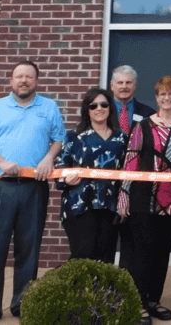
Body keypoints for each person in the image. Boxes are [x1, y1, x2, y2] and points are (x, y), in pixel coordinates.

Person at [0, 60, 65, 325]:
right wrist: (1, 162)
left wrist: (49, 159)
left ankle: (23, 303)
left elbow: (58, 138)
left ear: (37, 80)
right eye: (19, 76)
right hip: (1, 187)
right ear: (11, 81)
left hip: (35, 187)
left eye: (29, 77)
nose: (24, 81)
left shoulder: (49, 107)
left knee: (29, 248)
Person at [117, 75, 171, 322]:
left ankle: (153, 300)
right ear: (157, 97)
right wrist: (124, 196)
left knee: (162, 253)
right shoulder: (143, 127)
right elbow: (131, 161)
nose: (167, 98)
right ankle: (137, 302)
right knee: (141, 252)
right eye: (162, 94)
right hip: (142, 198)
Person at [56, 87, 128, 263]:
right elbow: (59, 166)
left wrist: (125, 200)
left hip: (110, 206)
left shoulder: (122, 138)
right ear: (86, 110)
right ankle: (75, 291)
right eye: (93, 105)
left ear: (110, 107)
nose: (99, 109)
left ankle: (102, 292)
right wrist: (66, 178)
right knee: (82, 256)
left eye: (104, 104)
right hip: (80, 205)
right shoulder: (74, 136)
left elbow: (128, 171)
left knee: (105, 259)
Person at [110, 64, 156, 136]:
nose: (124, 86)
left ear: (135, 86)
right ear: (112, 86)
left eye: (128, 82)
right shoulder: (102, 111)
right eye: (120, 83)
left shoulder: (149, 114)